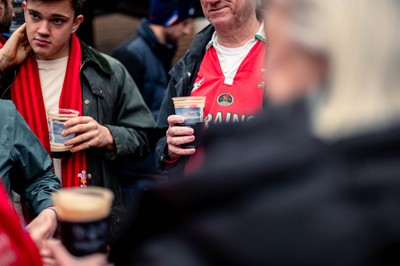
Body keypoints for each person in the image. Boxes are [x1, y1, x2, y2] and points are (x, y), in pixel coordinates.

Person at [45, 0, 400, 265]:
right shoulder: (190, 62)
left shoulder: (283, 52)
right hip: (198, 215)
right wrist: (167, 148)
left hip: (266, 219)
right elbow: (156, 147)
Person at [0, 0, 155, 242]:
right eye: (34, 16)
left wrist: (108, 136)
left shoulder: (108, 71)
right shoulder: (7, 71)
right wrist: (1, 63)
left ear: (76, 23)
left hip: (90, 226)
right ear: (24, 8)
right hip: (21, 231)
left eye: (57, 21)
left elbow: (146, 138)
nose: (42, 29)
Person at [155, 0, 267, 178]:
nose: (212, 1)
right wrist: (169, 149)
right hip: (198, 201)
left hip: (262, 202)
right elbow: (160, 140)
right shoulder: (188, 65)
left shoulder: (289, 57)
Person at [111, 0, 195, 209]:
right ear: (170, 19)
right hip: (134, 181)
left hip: (152, 175)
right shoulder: (131, 55)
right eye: (184, 23)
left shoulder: (161, 55)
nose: (187, 31)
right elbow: (121, 120)